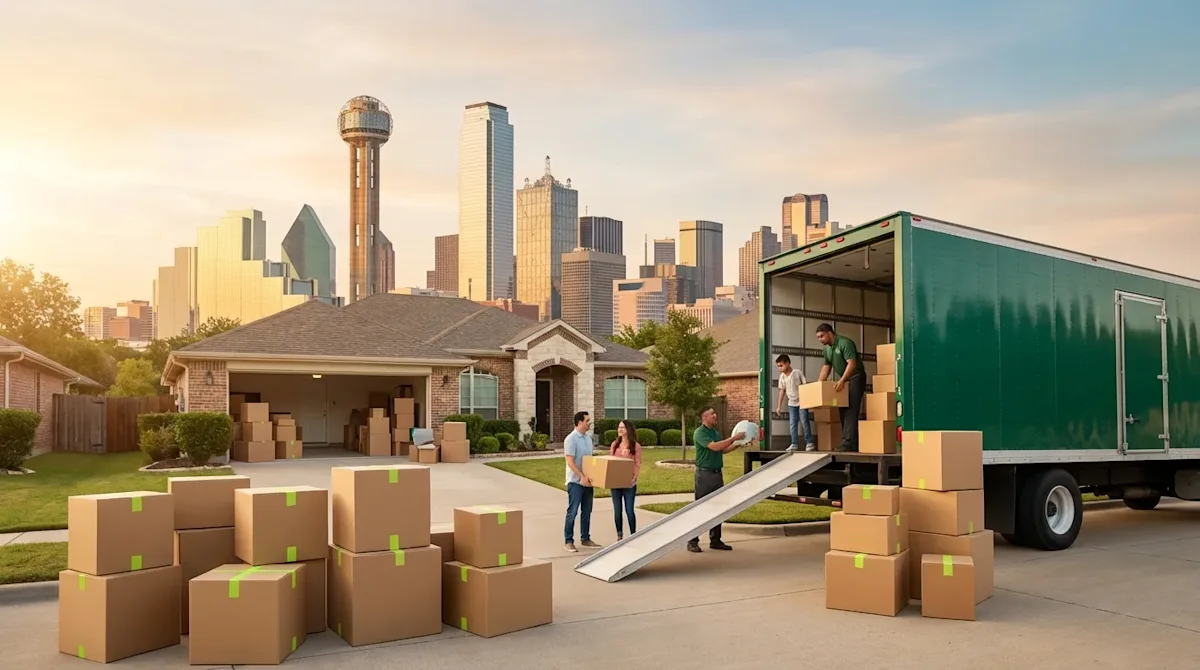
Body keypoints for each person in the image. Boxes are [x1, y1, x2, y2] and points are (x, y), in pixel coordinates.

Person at [687, 407, 746, 553]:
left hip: (716, 474)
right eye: (712, 414)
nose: (715, 415)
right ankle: (692, 541)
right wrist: (733, 438)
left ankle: (715, 540)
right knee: (700, 508)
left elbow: (723, 450)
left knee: (718, 507)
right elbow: (714, 447)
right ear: (704, 417)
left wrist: (738, 444)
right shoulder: (700, 433)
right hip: (704, 475)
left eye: (715, 413)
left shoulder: (715, 433)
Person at [815, 323, 866, 452]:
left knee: (851, 409)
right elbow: (826, 367)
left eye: (821, 336)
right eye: (818, 337)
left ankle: (848, 443)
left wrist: (842, 380)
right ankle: (851, 442)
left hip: (855, 377)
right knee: (842, 409)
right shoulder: (827, 349)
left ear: (830, 333)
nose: (820, 340)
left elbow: (852, 364)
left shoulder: (845, 343)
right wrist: (819, 384)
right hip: (844, 379)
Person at [563, 411, 600, 553]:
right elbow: (570, 462)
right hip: (575, 482)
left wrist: (592, 477)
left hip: (588, 482)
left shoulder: (588, 439)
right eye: (587, 421)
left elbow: (590, 460)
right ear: (579, 422)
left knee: (587, 511)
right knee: (572, 511)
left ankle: (585, 538)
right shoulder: (571, 439)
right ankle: (568, 541)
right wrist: (581, 476)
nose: (589, 423)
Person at [609, 419, 642, 540]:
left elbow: (637, 463)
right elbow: (610, 462)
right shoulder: (615, 445)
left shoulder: (635, 446)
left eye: (622, 427)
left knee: (629, 510)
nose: (620, 430)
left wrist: (634, 478)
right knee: (617, 511)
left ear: (628, 430)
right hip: (616, 483)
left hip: (629, 484)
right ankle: (619, 535)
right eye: (619, 427)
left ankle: (633, 535)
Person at [775, 353, 814, 452]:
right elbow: (782, 391)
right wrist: (778, 406)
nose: (780, 368)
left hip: (802, 402)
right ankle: (794, 443)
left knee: (804, 421)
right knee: (793, 423)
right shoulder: (782, 377)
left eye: (781, 365)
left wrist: (808, 401)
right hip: (791, 403)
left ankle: (809, 442)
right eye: (778, 366)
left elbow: (805, 387)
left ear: (787, 363)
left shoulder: (797, 373)